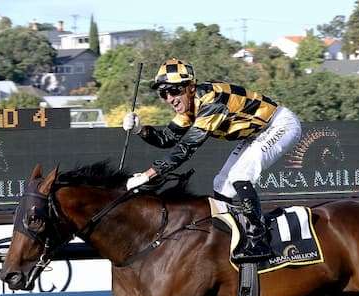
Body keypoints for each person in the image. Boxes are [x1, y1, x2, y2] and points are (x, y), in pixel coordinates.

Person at [123, 58, 302, 263]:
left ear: (190, 87)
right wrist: (140, 129)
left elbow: (186, 148)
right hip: (258, 133)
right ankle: (231, 238)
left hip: (280, 125)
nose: (170, 98)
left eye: (174, 91)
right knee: (221, 185)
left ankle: (259, 241)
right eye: (164, 94)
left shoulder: (211, 102)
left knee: (240, 175)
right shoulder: (190, 106)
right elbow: (167, 139)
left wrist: (148, 175)